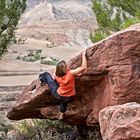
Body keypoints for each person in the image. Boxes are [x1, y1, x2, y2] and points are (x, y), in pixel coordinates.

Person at [38, 51, 87, 120]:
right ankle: (61, 114)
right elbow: (83, 67)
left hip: (58, 94)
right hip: (68, 97)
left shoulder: (57, 75)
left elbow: (55, 79)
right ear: (64, 69)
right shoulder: (70, 74)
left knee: (46, 75)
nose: (67, 67)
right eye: (66, 67)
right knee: (64, 103)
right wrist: (84, 55)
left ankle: (41, 80)